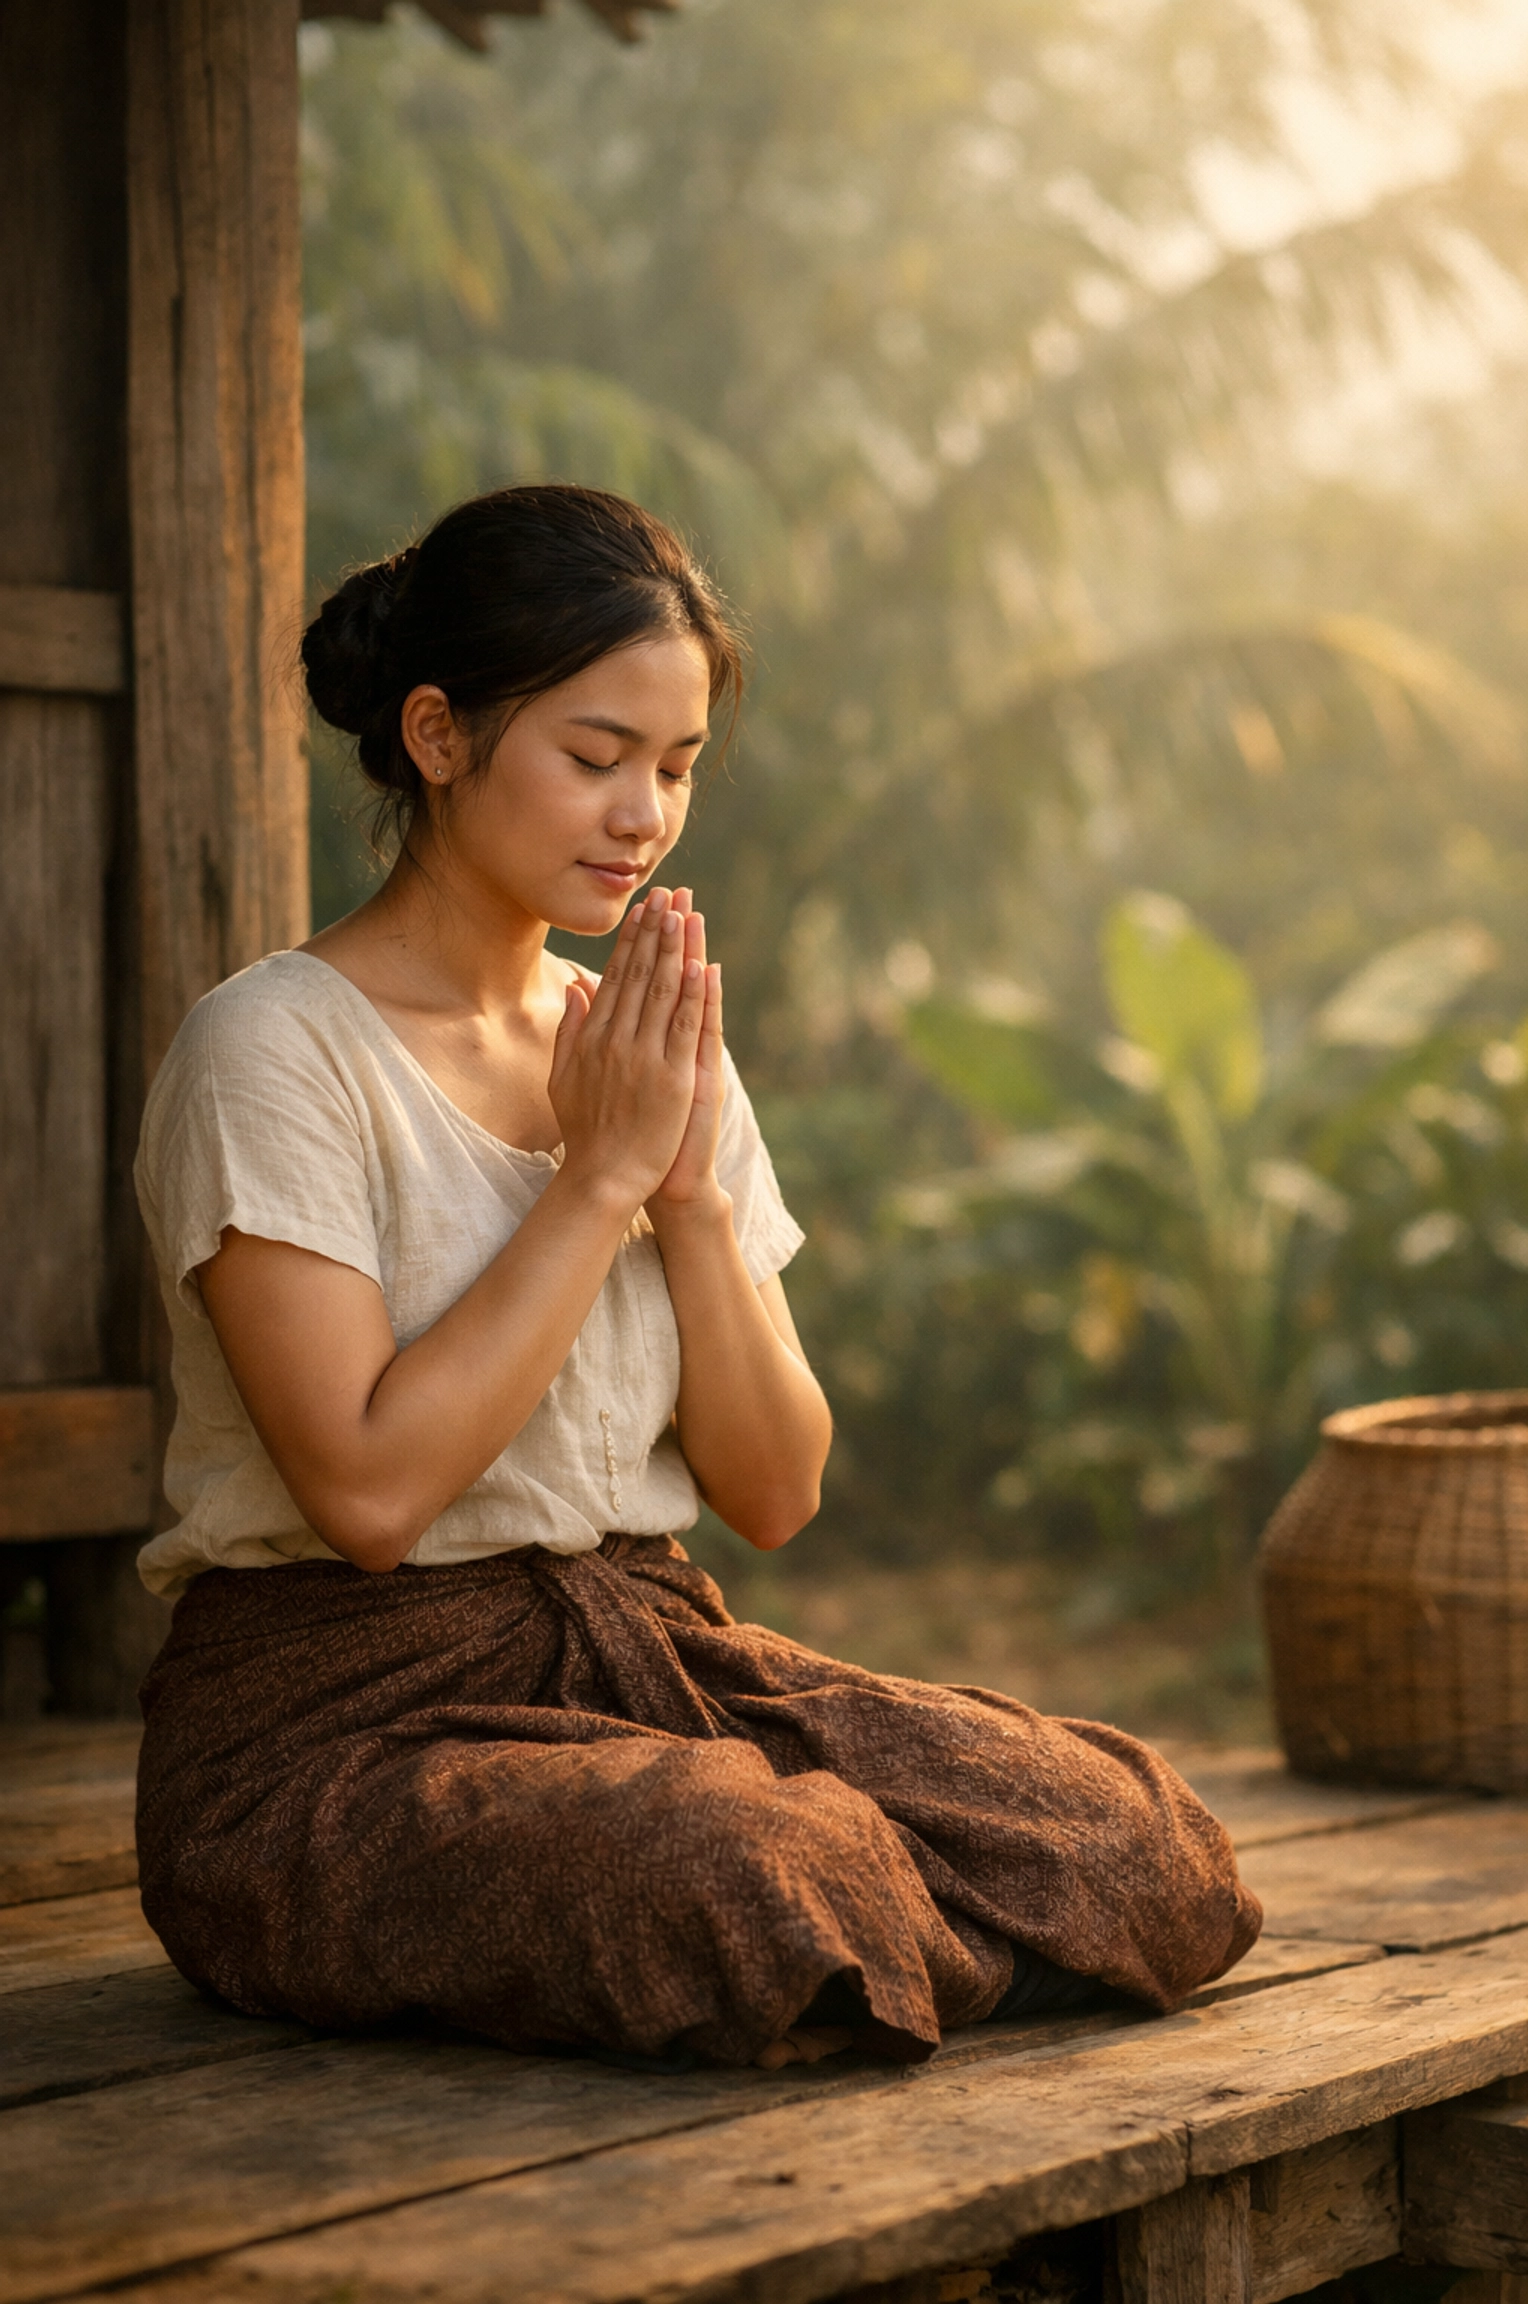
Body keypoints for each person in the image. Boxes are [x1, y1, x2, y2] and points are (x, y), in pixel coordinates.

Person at [133, 483, 1260, 2072]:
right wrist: (595, 1185)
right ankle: (839, 1932)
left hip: (650, 1663)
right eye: (594, 758)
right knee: (739, 1868)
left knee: (1134, 1836)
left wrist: (690, 1203)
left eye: (674, 769)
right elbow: (372, 1500)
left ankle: (839, 1950)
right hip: (335, 1735)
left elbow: (775, 1491)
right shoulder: (273, 1053)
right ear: (440, 735)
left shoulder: (643, 1045)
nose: (643, 815)